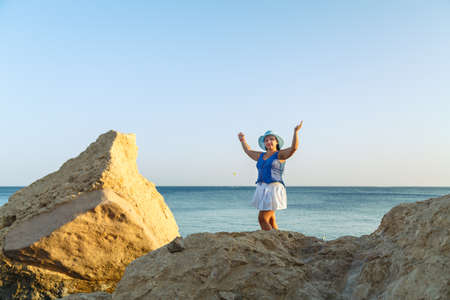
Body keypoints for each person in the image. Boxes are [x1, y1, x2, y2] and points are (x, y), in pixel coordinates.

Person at [238, 122, 303, 231]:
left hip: (274, 189)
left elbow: (293, 148)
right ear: (264, 143)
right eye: (266, 140)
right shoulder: (260, 156)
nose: (269, 141)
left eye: (271, 139)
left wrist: (295, 132)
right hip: (262, 188)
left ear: (277, 142)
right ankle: (277, 238)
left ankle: (271, 239)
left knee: (262, 218)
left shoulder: (279, 154)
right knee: (271, 219)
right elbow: (247, 151)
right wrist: (242, 140)